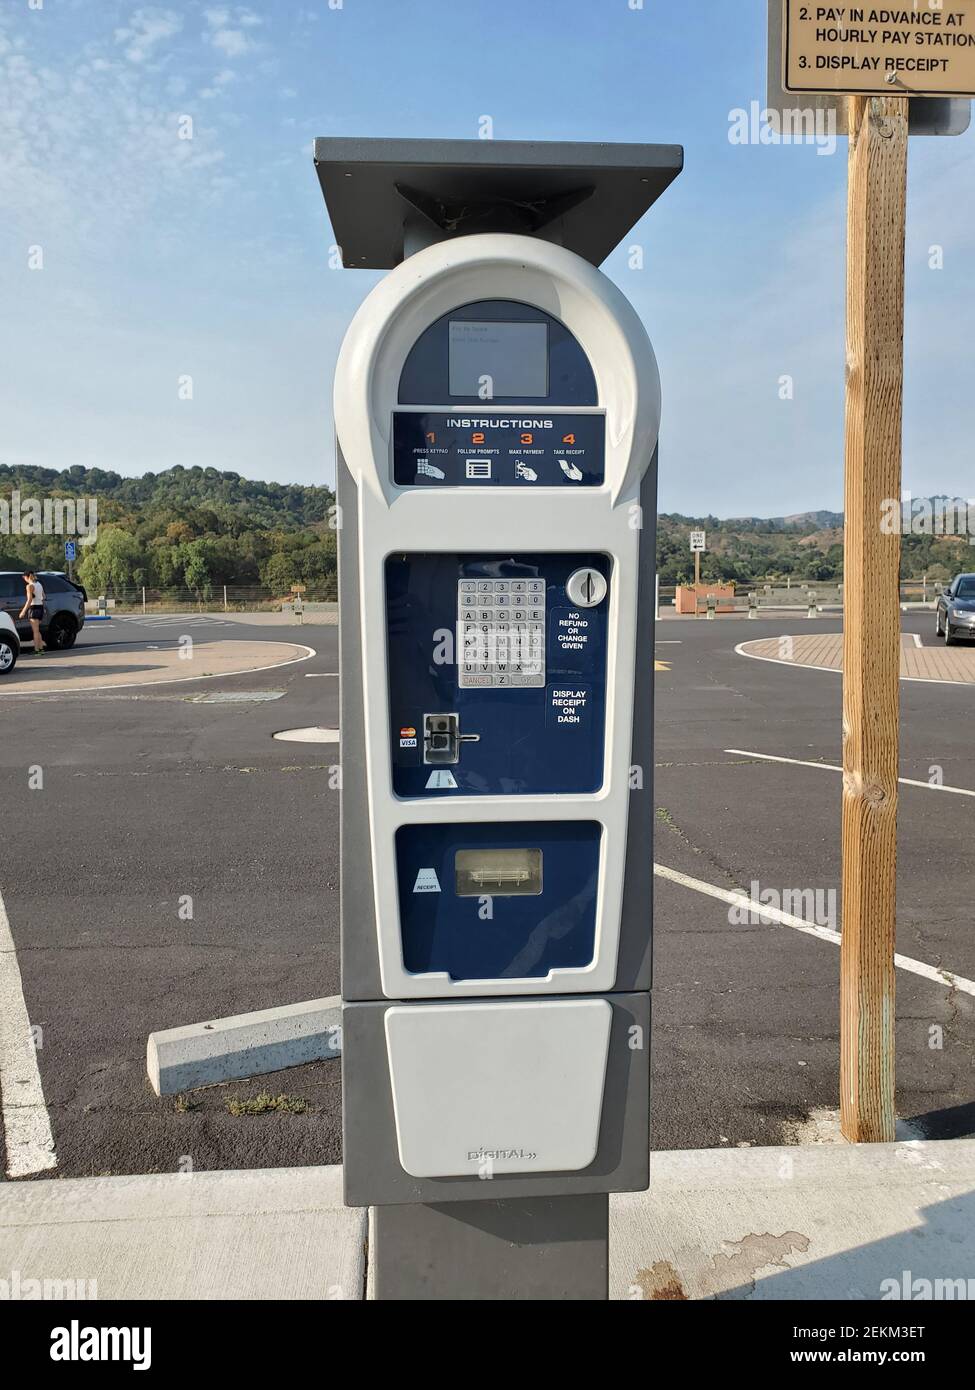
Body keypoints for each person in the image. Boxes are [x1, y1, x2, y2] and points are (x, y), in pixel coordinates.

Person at [19, 570, 46, 654]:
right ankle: (41, 650)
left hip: (33, 609)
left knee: (35, 631)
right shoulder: (39, 584)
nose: (24, 580)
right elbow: (43, 597)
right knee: (37, 631)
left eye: (24, 578)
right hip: (40, 607)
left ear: (27, 577)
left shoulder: (29, 586)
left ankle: (37, 650)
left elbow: (29, 600)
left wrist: (23, 611)